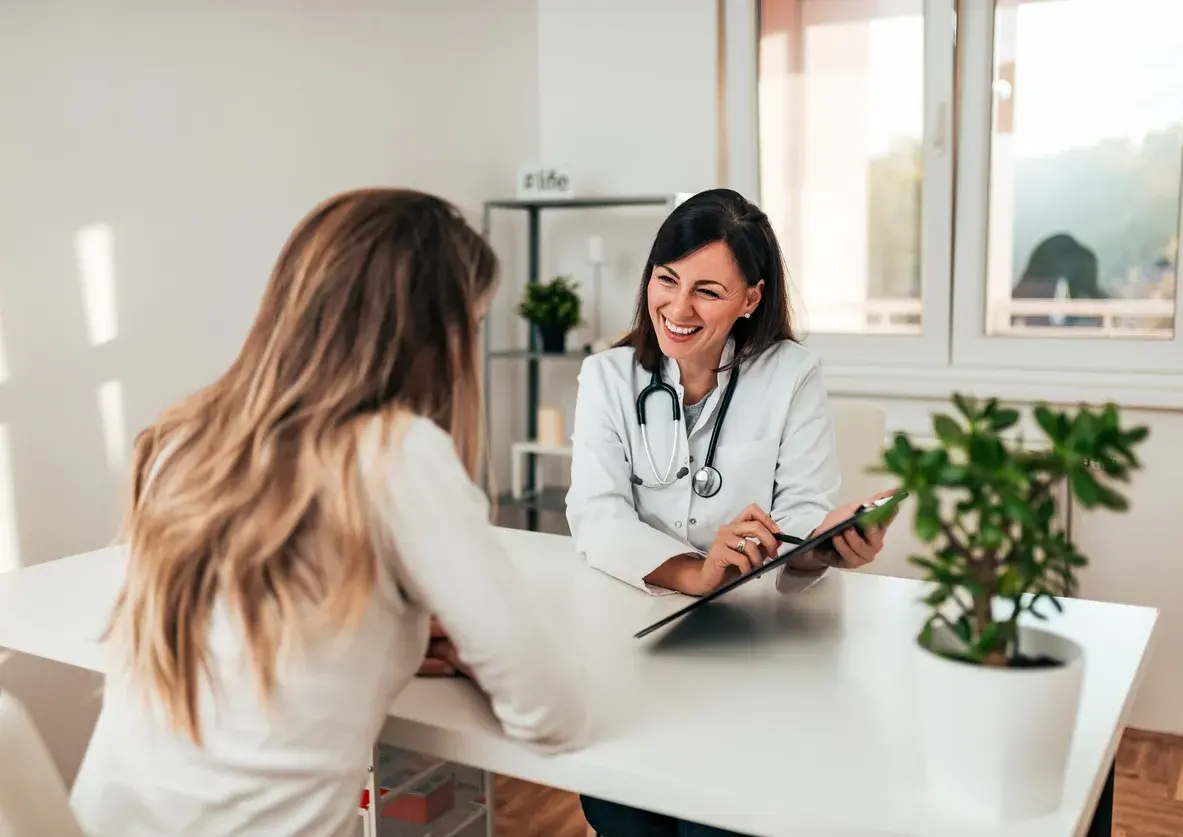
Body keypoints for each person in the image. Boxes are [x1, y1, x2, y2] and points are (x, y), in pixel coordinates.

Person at [70, 189, 589, 837]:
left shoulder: (184, 435)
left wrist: (397, 628)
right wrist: (471, 648)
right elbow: (551, 713)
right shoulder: (396, 453)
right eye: (473, 324)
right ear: (434, 334)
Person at [565, 188, 897, 836]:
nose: (678, 308)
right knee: (621, 813)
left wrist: (821, 546)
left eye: (708, 291)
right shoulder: (607, 377)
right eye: (667, 279)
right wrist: (694, 569)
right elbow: (596, 514)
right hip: (634, 650)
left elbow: (800, 508)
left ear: (750, 298)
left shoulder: (791, 373)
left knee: (718, 822)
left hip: (752, 655)